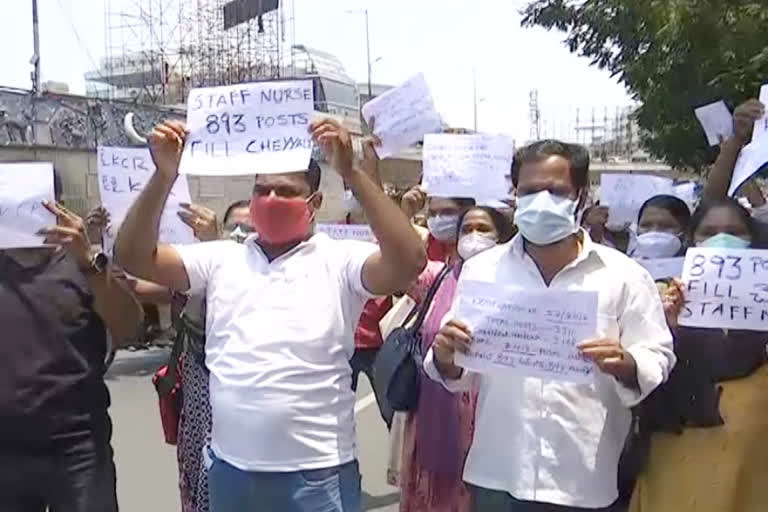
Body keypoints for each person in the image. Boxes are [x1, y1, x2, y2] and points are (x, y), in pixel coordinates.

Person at [114, 118, 426, 511]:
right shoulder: (221, 257)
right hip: (230, 472)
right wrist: (164, 176)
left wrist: (352, 173)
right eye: (262, 189)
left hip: (317, 476)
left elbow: (410, 260)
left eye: (286, 190)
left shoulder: (340, 260)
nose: (272, 197)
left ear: (313, 204)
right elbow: (133, 257)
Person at [426, 140, 676, 511]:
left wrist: (626, 363)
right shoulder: (483, 271)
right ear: (514, 194)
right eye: (529, 191)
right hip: (499, 473)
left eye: (555, 191)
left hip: (582, 479)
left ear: (581, 195)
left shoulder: (625, 275)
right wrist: (446, 353)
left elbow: (657, 353)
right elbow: (456, 368)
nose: (541, 201)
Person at [0, 175, 143, 511]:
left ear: (56, 203)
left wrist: (90, 263)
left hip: (77, 449)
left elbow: (129, 326)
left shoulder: (86, 263)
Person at [630, 198, 768, 512]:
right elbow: (641, 382)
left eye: (735, 232)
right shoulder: (660, 296)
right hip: (676, 460)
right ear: (692, 241)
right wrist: (667, 328)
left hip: (752, 466)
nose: (722, 240)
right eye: (709, 232)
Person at [399, 205, 512, 512]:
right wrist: (403, 210)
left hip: (492, 423)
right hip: (436, 414)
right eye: (467, 229)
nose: (474, 236)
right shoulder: (438, 277)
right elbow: (398, 257)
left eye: (483, 229)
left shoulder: (520, 288)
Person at [630, 195, 691, 260]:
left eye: (666, 226)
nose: (654, 232)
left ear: (686, 234)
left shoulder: (696, 266)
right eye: (646, 225)